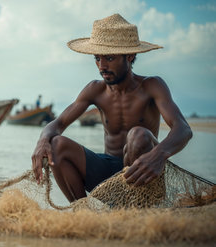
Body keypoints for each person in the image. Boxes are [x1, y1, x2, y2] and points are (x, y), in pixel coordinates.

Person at [31, 14, 192, 202]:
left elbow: (183, 129)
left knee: (138, 135)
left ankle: (134, 207)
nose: (102, 66)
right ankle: (82, 212)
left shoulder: (151, 86)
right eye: (97, 58)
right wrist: (43, 139)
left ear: (130, 56)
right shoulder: (95, 89)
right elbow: (58, 123)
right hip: (107, 173)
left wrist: (159, 155)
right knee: (56, 144)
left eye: (109, 58)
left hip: (143, 172)